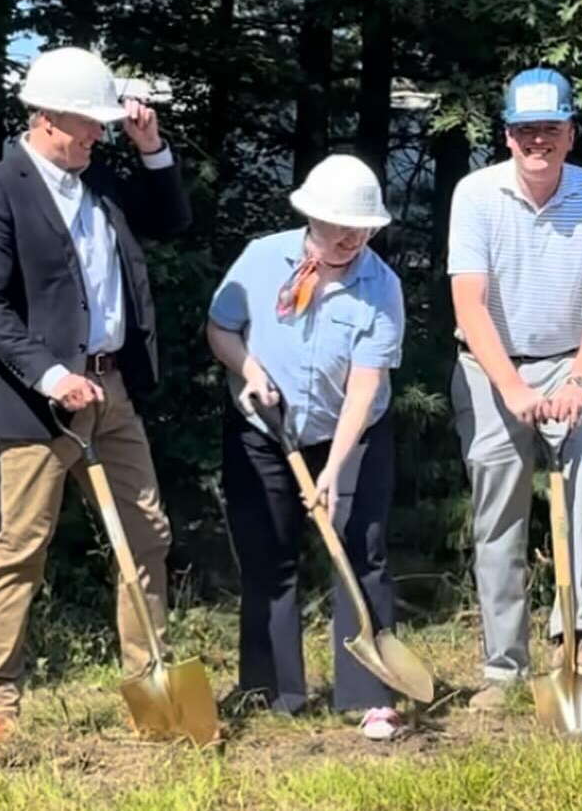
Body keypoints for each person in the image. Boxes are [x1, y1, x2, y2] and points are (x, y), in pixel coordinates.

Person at [0, 47, 190, 741]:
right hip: (37, 401)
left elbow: (171, 220)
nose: (98, 134)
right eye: (88, 124)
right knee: (23, 545)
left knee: (147, 535)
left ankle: (151, 694)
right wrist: (51, 375)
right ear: (46, 117)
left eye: (103, 124)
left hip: (111, 387)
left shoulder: (105, 182)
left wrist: (152, 149)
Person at [206, 154, 407, 741]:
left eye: (361, 228)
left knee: (359, 551)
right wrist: (248, 369)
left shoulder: (382, 286)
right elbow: (220, 328)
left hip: (354, 433)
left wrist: (334, 471)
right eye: (337, 226)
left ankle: (369, 694)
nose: (349, 239)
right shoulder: (263, 258)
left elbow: (366, 388)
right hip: (264, 430)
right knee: (268, 555)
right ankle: (273, 691)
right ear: (310, 218)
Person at [447, 68, 582, 710]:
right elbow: (469, 304)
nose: (537, 142)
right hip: (489, 364)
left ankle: (576, 637)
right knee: (499, 512)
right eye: (526, 130)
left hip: (572, 361)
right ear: (507, 135)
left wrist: (580, 378)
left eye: (550, 128)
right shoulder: (475, 195)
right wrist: (512, 387)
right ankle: (504, 668)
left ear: (571, 133)